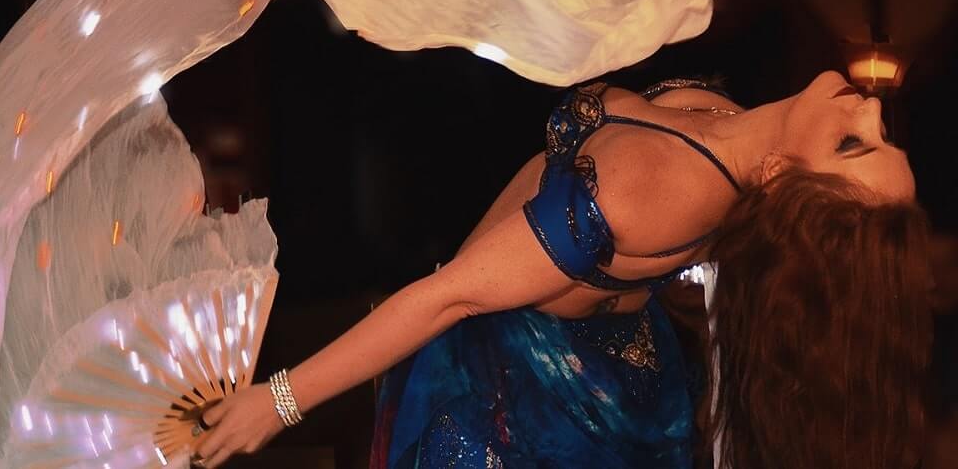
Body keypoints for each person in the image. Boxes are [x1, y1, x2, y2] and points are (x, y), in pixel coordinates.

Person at [191, 70, 931, 469]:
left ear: (777, 175)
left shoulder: (646, 194)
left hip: (523, 390)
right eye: (879, 133)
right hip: (611, 346)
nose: (866, 109)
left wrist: (278, 402)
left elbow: (448, 298)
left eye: (852, 147)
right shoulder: (738, 124)